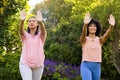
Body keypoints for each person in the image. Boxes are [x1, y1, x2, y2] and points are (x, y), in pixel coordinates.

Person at [80, 13, 115, 80]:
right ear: (88, 28)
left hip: (97, 67)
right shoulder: (84, 40)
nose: (92, 27)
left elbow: (106, 35)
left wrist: (111, 26)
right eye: (90, 26)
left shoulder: (100, 40)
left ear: (97, 28)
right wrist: (85, 24)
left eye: (94, 26)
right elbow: (83, 34)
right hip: (86, 66)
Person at [19, 10, 47, 80]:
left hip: (38, 64)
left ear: (37, 24)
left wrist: (40, 22)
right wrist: (22, 21)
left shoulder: (41, 35)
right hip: (25, 63)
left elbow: (43, 31)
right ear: (28, 24)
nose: (31, 22)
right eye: (29, 21)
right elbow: (21, 32)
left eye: (34, 21)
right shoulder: (25, 35)